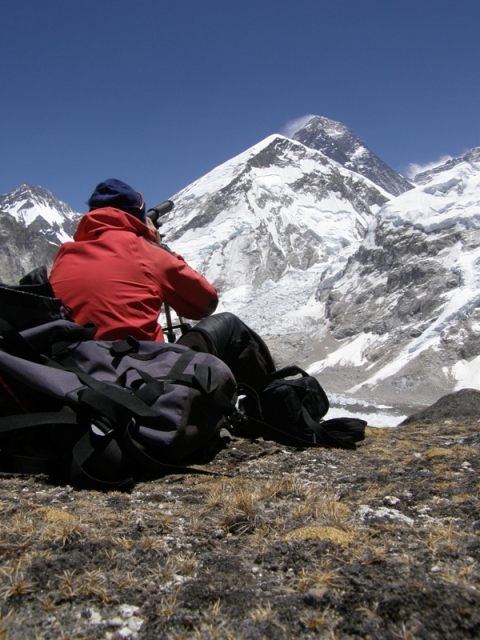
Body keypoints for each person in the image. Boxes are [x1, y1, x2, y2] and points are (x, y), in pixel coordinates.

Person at [50, 179, 275, 389]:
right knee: (230, 326)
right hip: (142, 380)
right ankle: (272, 409)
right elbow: (205, 303)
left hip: (78, 381)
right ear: (137, 215)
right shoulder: (144, 250)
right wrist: (160, 248)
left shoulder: (65, 255)